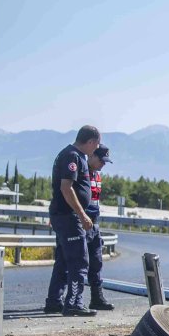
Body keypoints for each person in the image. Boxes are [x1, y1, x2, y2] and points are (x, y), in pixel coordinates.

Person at [44, 125, 100, 317]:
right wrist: (82, 215)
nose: (96, 150)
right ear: (91, 141)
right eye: (96, 145)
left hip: (64, 215)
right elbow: (66, 188)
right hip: (70, 216)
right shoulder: (72, 156)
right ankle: (74, 302)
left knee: (63, 259)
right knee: (79, 260)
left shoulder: (72, 155)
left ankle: (54, 301)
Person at [86, 145, 115, 311]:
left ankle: (97, 298)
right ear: (92, 156)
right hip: (82, 222)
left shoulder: (97, 175)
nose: (103, 165)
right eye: (101, 161)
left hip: (94, 222)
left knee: (96, 262)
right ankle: (67, 300)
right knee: (77, 264)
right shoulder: (81, 172)